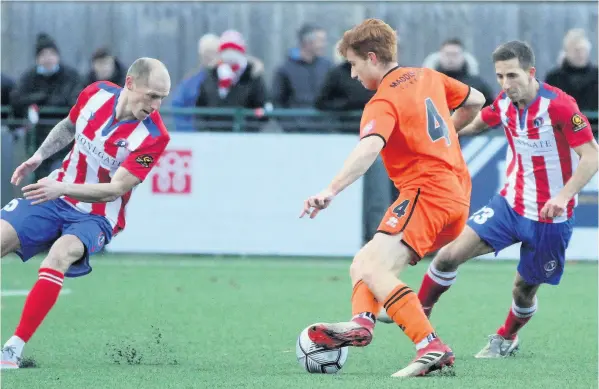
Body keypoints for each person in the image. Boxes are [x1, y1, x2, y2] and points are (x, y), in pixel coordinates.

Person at [299, 18, 486, 377]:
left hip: (425, 193)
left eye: (354, 65)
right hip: (455, 198)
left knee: (373, 268)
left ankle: (430, 346)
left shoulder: (382, 101)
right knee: (364, 261)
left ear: (372, 58)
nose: (353, 75)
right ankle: (362, 322)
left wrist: (330, 189)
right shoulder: (428, 76)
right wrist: (449, 130)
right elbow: (476, 100)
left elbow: (369, 148)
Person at [415, 40, 598, 358]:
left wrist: (564, 195)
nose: (505, 84)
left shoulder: (560, 106)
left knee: (523, 291)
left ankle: (507, 337)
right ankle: (416, 316)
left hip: (549, 218)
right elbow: (479, 123)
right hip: (510, 205)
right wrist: (450, 134)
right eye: (500, 76)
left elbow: (592, 156)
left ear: (530, 72)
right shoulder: (504, 103)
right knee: (446, 257)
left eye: (512, 76)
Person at [0, 57, 172, 369]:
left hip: (97, 216)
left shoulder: (154, 137)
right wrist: (38, 158)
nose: (156, 105)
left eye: (162, 98)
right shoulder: (95, 93)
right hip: (56, 195)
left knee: (61, 254)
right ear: (130, 84)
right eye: (152, 95)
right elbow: (69, 125)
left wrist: (62, 188)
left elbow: (115, 190)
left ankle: (13, 348)